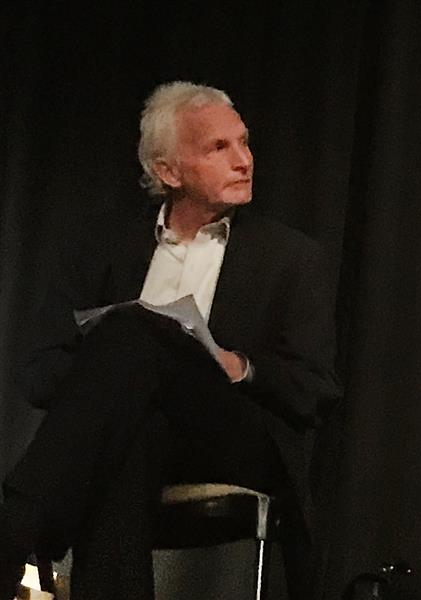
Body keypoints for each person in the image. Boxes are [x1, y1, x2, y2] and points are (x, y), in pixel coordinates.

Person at [1, 82, 340, 598]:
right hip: (135, 430)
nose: (244, 160)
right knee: (132, 421)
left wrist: (239, 365)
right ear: (168, 172)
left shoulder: (291, 259)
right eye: (219, 148)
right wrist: (109, 372)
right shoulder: (103, 249)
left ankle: (17, 523)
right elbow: (38, 373)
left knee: (135, 331)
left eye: (244, 143)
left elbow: (316, 387)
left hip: (232, 432)